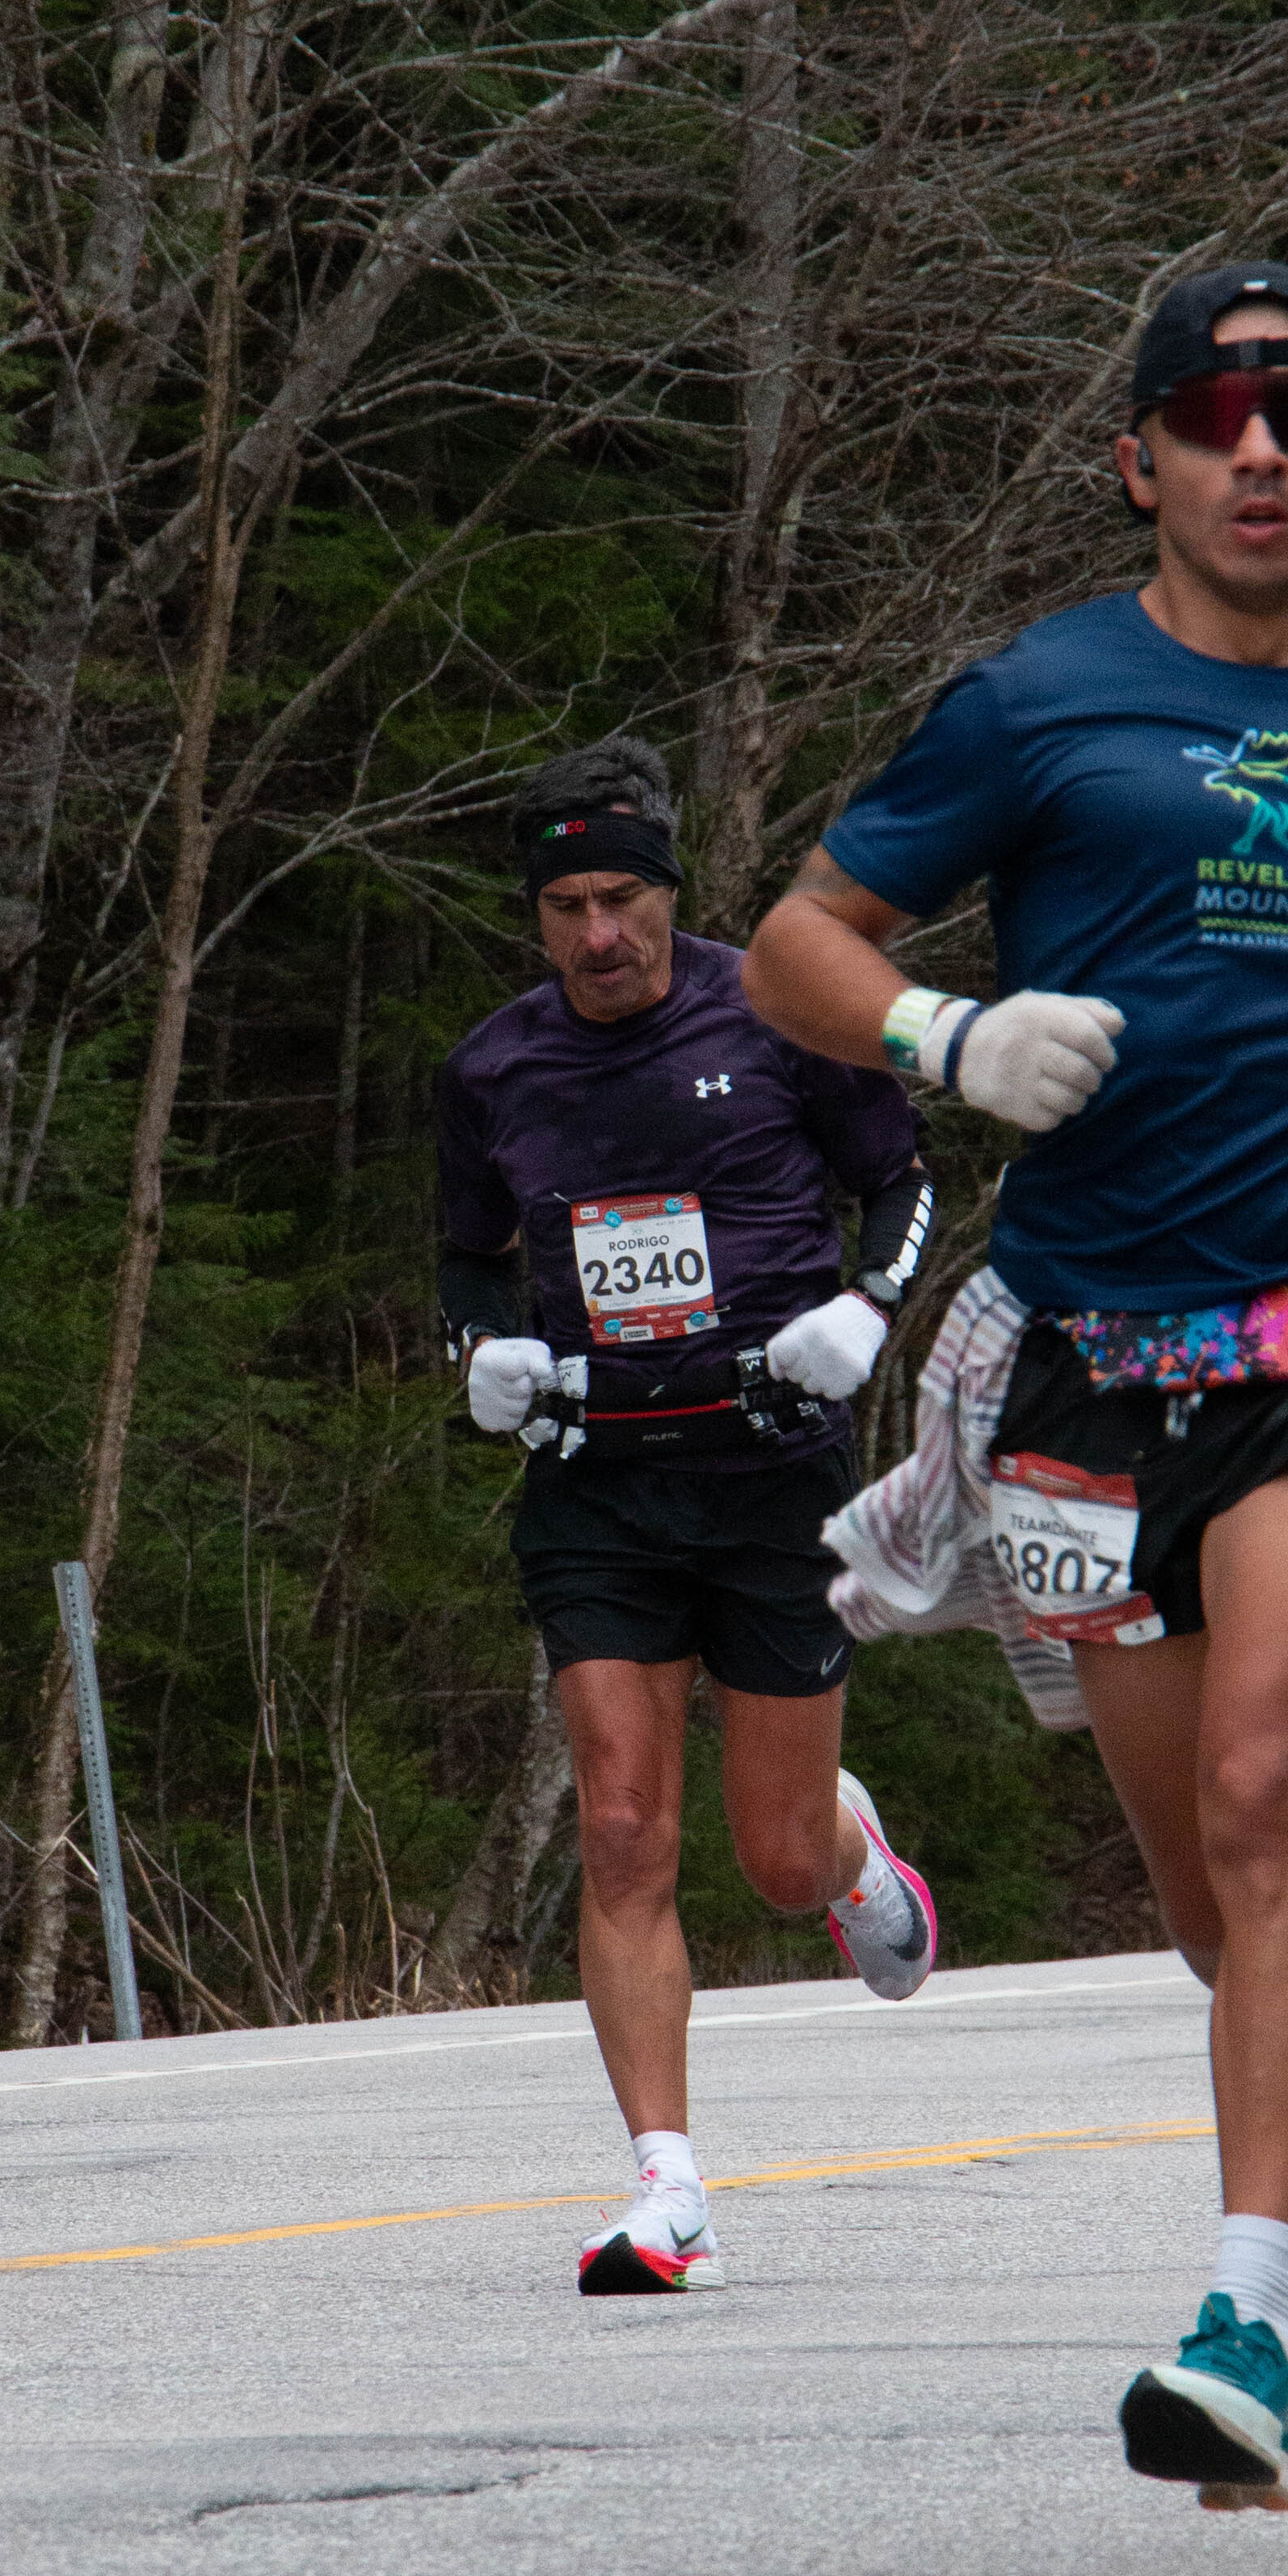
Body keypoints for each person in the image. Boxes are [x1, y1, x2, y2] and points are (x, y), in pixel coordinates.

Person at [743, 260, 1288, 2506]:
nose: (1258, 454)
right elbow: (794, 947)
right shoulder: (1036, 704)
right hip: (1096, 1356)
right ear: (1142, 463)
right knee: (1218, 1902)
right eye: (1212, 422)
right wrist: (948, 1037)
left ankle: (1244, 2329)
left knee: (1266, 1795)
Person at [436, 736, 943, 2296]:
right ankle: (671, 2193)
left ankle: (854, 1857)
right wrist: (483, 1352)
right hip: (599, 1480)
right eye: (568, 907)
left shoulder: (779, 1013)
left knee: (776, 1860)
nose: (601, 935)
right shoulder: (494, 1068)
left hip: (771, 1469)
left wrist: (867, 1309)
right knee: (620, 1827)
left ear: (670, 889)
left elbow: (905, 1184)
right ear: (536, 917)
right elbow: (464, 1256)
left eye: (624, 898)